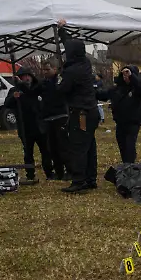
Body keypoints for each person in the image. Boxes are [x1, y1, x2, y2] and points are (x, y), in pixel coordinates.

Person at [57, 25, 100, 192]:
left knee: (78, 147)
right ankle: (90, 178)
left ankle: (78, 181)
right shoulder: (85, 63)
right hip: (91, 111)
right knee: (89, 146)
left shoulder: (72, 71)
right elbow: (70, 44)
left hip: (81, 113)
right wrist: (62, 31)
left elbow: (62, 90)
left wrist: (60, 79)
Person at [4, 67, 51, 182]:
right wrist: (14, 97)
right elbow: (7, 104)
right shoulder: (15, 90)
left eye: (28, 75)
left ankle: (49, 172)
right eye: (23, 76)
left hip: (39, 125)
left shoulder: (37, 88)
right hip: (25, 126)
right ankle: (30, 174)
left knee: (45, 150)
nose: (26, 78)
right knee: (28, 152)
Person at [108, 65, 141, 164]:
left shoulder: (138, 88)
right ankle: (126, 164)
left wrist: (132, 76)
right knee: (122, 147)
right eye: (124, 75)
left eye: (127, 75)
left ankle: (130, 165)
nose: (125, 77)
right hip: (120, 122)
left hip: (133, 122)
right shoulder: (119, 89)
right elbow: (105, 94)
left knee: (130, 146)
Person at [38, 60, 69, 180]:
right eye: (44, 70)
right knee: (52, 147)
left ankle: (69, 170)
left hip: (60, 116)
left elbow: (59, 93)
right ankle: (59, 171)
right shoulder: (44, 83)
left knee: (63, 146)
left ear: (55, 69)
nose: (45, 72)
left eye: (48, 69)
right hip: (48, 118)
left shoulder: (59, 81)